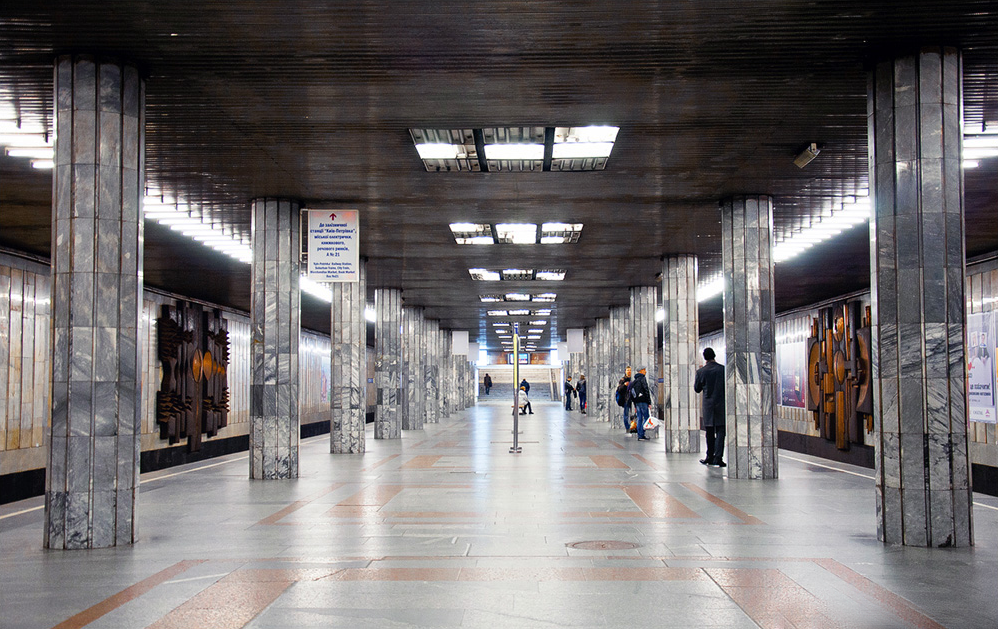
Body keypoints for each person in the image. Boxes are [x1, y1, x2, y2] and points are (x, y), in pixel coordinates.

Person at [694, 347, 726, 467]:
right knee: (721, 431)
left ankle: (709, 456)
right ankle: (718, 457)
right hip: (721, 404)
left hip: (708, 406)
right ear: (714, 356)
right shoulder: (722, 370)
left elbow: (697, 389)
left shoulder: (701, 372)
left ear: (705, 357)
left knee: (709, 432)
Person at [630, 366, 652, 440]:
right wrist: (649, 402)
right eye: (644, 370)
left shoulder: (634, 381)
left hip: (637, 403)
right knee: (646, 417)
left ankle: (640, 435)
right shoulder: (642, 379)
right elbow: (646, 390)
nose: (645, 371)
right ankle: (642, 432)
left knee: (639, 418)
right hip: (643, 402)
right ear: (641, 371)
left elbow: (632, 394)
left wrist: (635, 404)